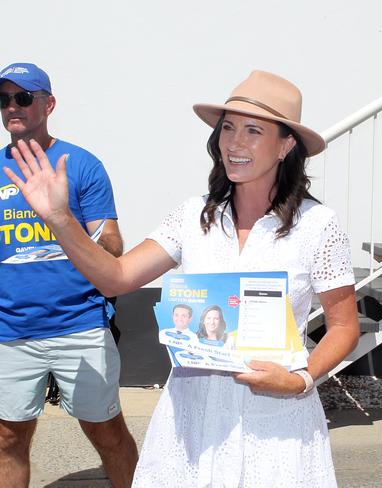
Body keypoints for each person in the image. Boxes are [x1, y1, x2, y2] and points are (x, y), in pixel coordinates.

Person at [6, 70, 360, 487]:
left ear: (286, 145)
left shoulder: (317, 224)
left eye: (252, 131)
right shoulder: (193, 216)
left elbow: (344, 325)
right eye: (227, 128)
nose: (234, 142)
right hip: (193, 418)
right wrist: (62, 221)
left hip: (277, 419)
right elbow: (116, 278)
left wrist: (300, 379)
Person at [0, 62, 138, 487]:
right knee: (7, 437)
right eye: (4, 100)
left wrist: (60, 217)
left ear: (48, 104)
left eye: (23, 97)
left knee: (105, 431)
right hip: (10, 329)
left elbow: (113, 245)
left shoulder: (80, 164)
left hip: (78, 324)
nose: (12, 107)